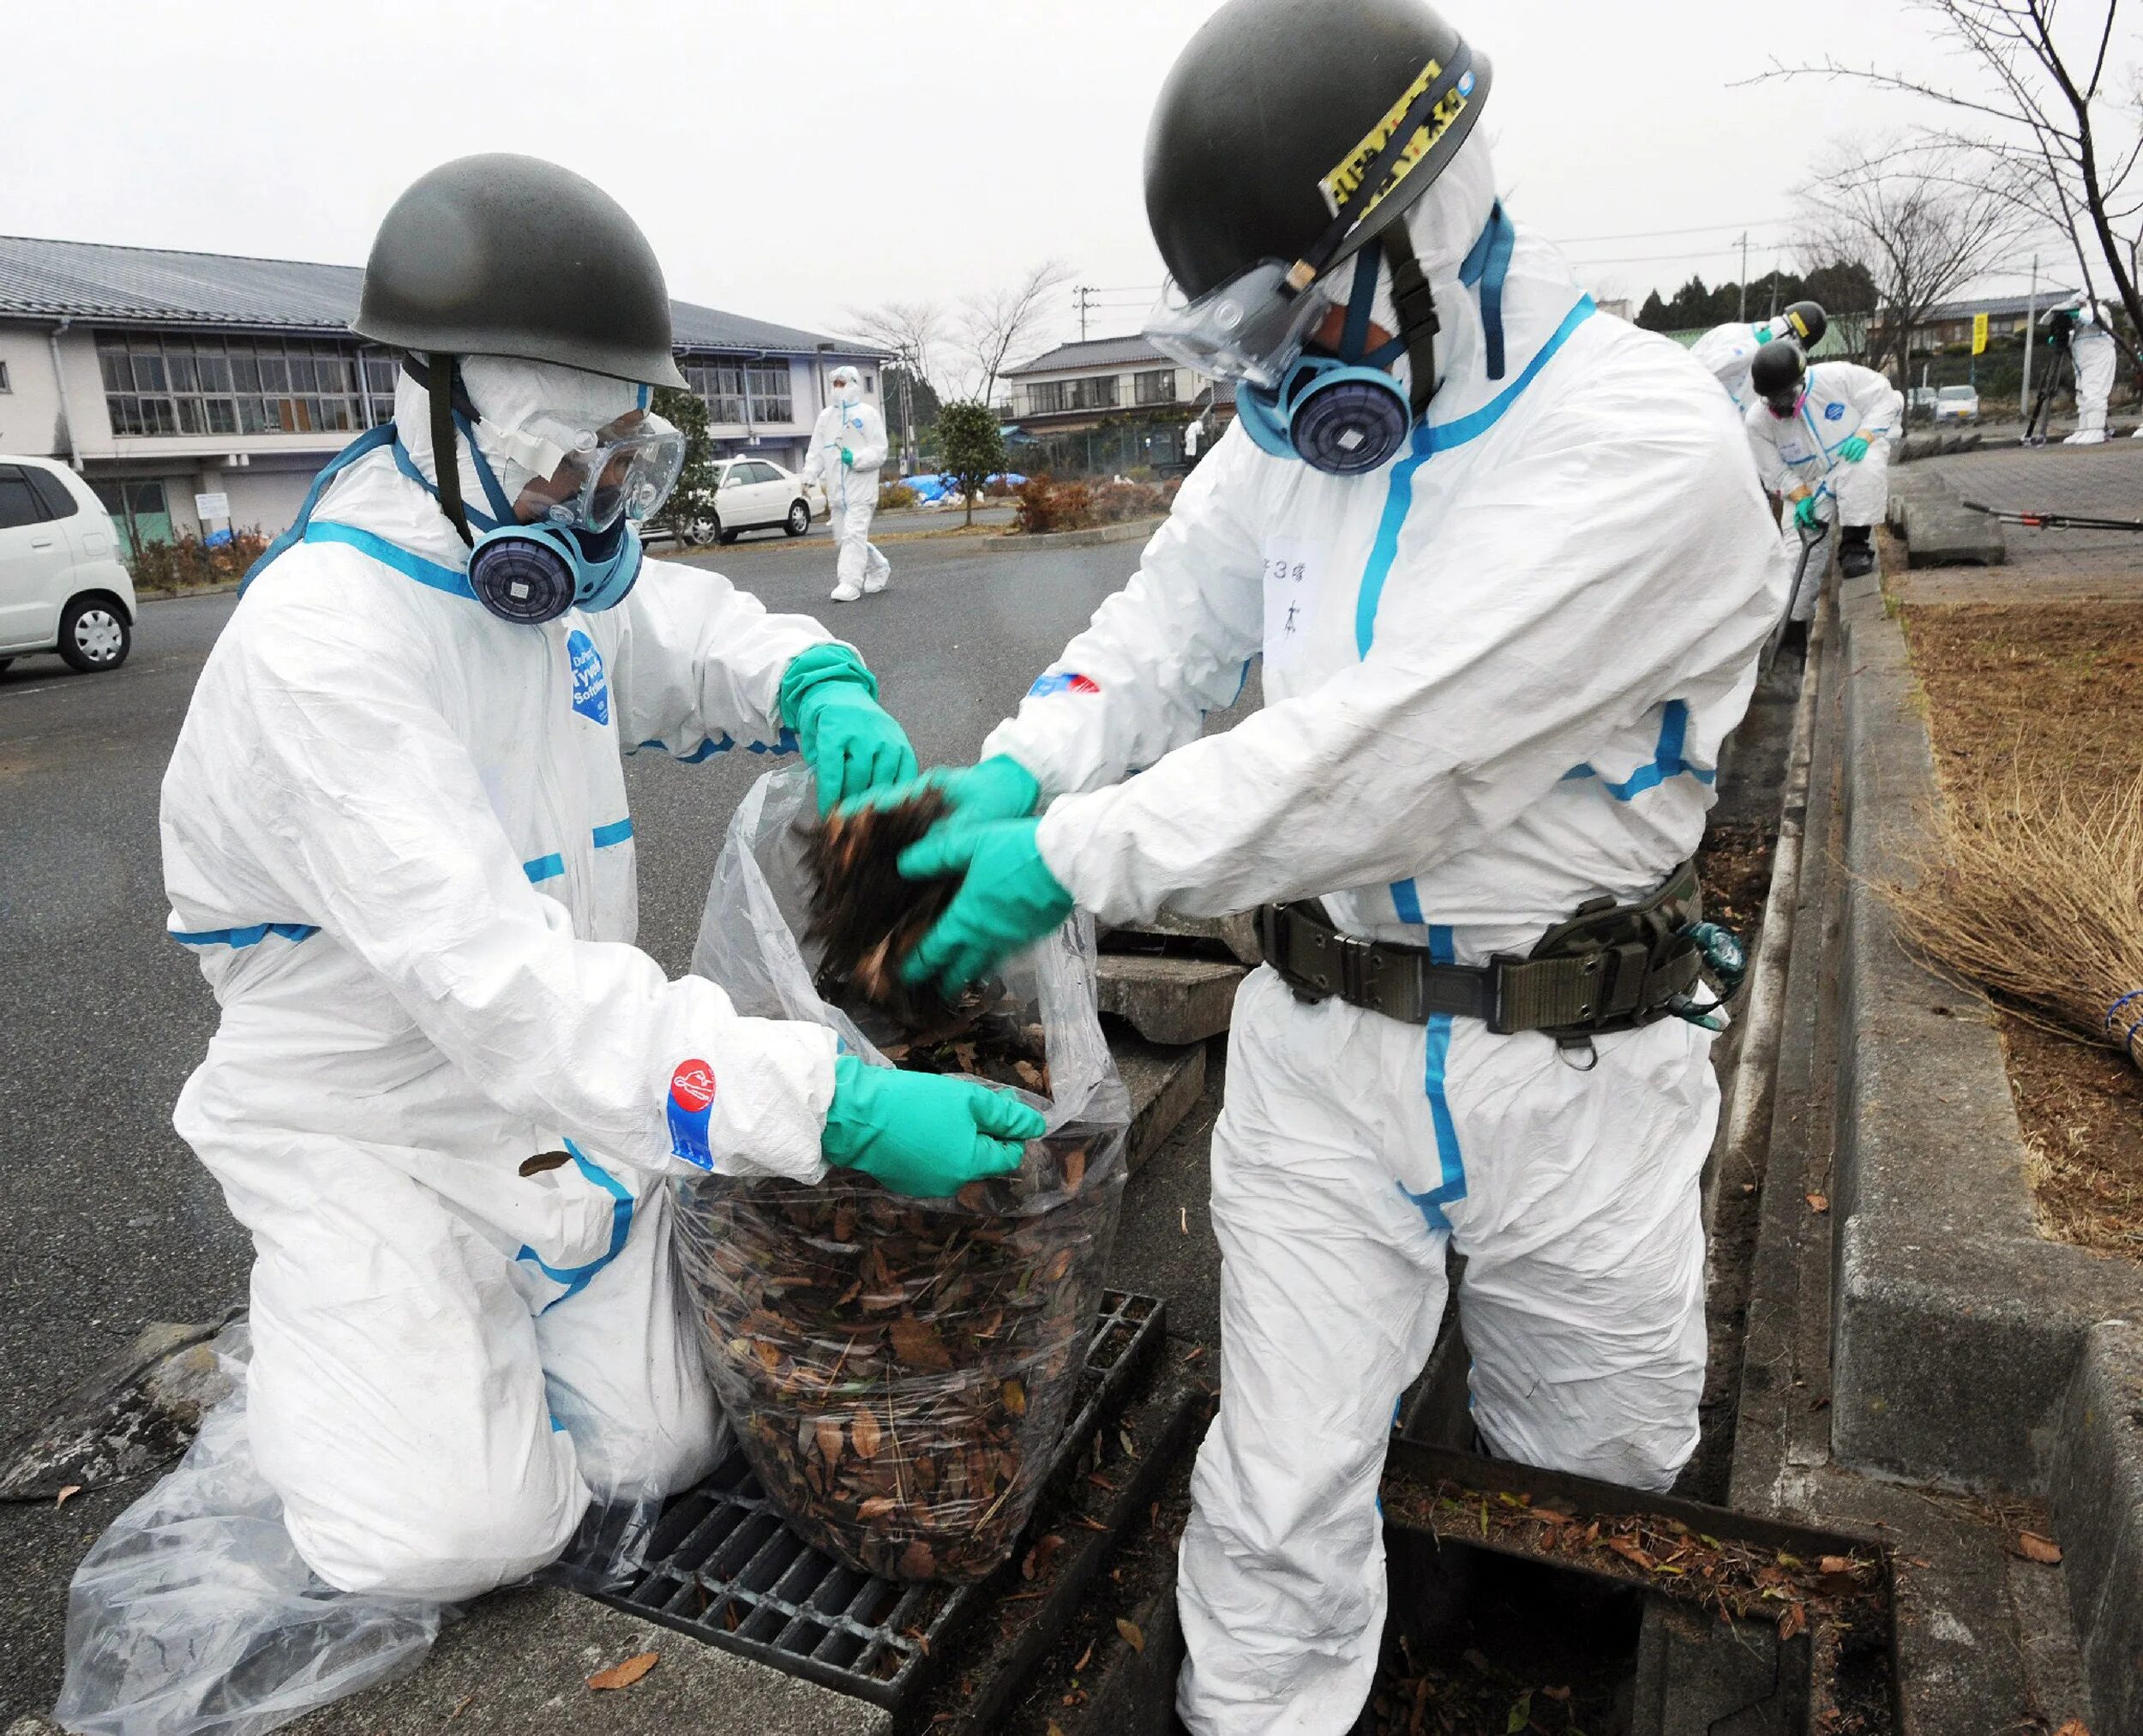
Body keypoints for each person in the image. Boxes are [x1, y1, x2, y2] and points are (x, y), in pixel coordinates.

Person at [855, 3, 1788, 1728]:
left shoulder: (1645, 454)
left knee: (1593, 1463)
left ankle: (1548, 1676)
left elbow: (1390, 759)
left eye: (1288, 318)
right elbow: (1160, 632)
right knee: (1273, 1487)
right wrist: (1017, 764)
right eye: (1235, 341)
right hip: (1318, 1050)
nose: (1269, 377)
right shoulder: (1287, 442)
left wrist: (1071, 854)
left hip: (1567, 1068)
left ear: (1424, 230)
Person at [156, 154, 1041, 1604]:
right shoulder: (324, 650)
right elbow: (507, 987)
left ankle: (463, 1338)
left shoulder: (532, 572)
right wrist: (840, 1103)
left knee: (659, 1450)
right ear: (440, 417)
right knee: (450, 1539)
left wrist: (807, 676)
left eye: (621, 457)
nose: (594, 497)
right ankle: (356, 1334)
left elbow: (666, 631)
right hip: (365, 1127)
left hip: (552, 1108)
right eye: (565, 457)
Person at [1744, 337, 1901, 590]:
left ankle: (1855, 545)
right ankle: (1795, 622)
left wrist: (1865, 435)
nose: (1780, 405)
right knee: (1798, 562)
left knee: (1863, 466)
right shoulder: (1757, 422)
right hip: (1809, 483)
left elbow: (1885, 398)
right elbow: (1773, 469)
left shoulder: (1837, 378)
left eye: (1785, 396)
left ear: (1800, 381)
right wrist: (1799, 495)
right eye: (1773, 399)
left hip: (1851, 457)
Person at [802, 364, 891, 601]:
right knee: (844, 539)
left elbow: (880, 451)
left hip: (861, 490)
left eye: (842, 384)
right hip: (837, 492)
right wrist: (809, 476)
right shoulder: (826, 417)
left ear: (854, 384)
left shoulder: (868, 414)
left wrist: (857, 459)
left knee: (854, 535)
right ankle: (878, 566)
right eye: (835, 384)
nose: (838, 389)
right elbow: (816, 451)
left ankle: (849, 584)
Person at [1689, 300, 1827, 408]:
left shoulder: (1769, 370)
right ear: (1788, 334)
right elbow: (1696, 371)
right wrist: (1753, 347)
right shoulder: (1732, 335)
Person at [2042, 292, 2118, 445]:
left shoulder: (2100, 311)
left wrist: (2077, 313)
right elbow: (2070, 336)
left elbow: (2097, 319)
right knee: (2082, 394)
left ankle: (2095, 430)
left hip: (2098, 358)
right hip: (2081, 361)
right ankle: (2084, 429)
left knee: (2094, 393)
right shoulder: (2077, 320)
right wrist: (2058, 335)